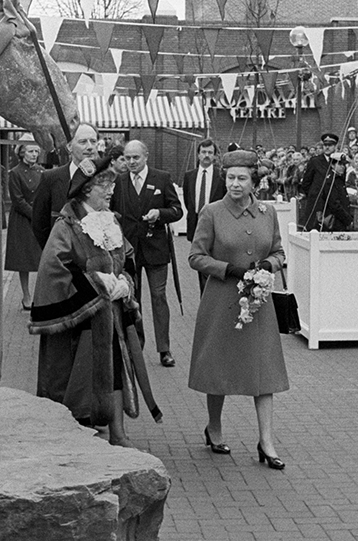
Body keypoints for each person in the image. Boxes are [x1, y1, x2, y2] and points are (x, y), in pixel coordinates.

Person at [29, 155, 162, 445]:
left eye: (113, 183)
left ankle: (118, 433)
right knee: (79, 379)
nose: (112, 190)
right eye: (106, 185)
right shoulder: (67, 225)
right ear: (88, 189)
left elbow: (126, 258)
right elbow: (54, 268)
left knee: (115, 369)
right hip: (82, 320)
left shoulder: (110, 220)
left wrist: (125, 283)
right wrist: (97, 283)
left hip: (113, 314)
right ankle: (80, 437)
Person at [187, 149, 289, 471]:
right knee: (218, 367)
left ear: (252, 180)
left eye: (241, 178)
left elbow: (279, 251)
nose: (235, 184)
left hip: (259, 304)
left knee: (265, 371)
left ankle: (266, 442)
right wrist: (226, 268)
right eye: (230, 177)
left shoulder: (267, 212)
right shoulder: (212, 212)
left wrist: (268, 265)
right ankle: (214, 429)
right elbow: (195, 256)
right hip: (221, 302)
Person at [112, 140, 184, 368]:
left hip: (156, 249)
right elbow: (110, 209)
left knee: (159, 296)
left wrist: (160, 213)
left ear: (146, 157)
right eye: (127, 158)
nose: (131, 162)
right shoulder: (119, 181)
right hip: (129, 250)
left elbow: (177, 210)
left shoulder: (161, 178)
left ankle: (164, 349)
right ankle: (137, 346)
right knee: (133, 298)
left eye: (136, 158)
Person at [31, 122, 99, 247]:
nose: (90, 147)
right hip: (62, 259)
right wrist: (54, 252)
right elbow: (39, 223)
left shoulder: (109, 178)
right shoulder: (50, 178)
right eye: (83, 142)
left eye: (93, 141)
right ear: (69, 147)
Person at [5, 135, 44, 310]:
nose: (34, 154)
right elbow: (17, 200)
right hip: (22, 219)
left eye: (36, 151)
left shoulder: (42, 172)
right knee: (24, 259)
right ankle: (26, 296)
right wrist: (35, 214)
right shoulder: (14, 173)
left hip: (38, 218)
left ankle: (40, 294)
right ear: (22, 152)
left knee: (42, 258)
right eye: (30, 151)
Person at [183, 139, 226, 292]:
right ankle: (204, 303)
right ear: (198, 154)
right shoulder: (189, 176)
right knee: (201, 266)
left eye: (210, 152)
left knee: (215, 266)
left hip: (217, 227)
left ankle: (212, 301)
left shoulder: (222, 176)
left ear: (214, 156)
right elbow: (189, 201)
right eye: (204, 152)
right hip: (196, 226)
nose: (207, 155)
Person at [298, 132, 339, 231]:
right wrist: (314, 193)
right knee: (314, 229)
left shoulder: (338, 161)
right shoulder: (315, 161)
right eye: (325, 145)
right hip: (317, 202)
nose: (327, 148)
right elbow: (306, 182)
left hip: (333, 203)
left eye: (330, 145)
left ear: (335, 146)